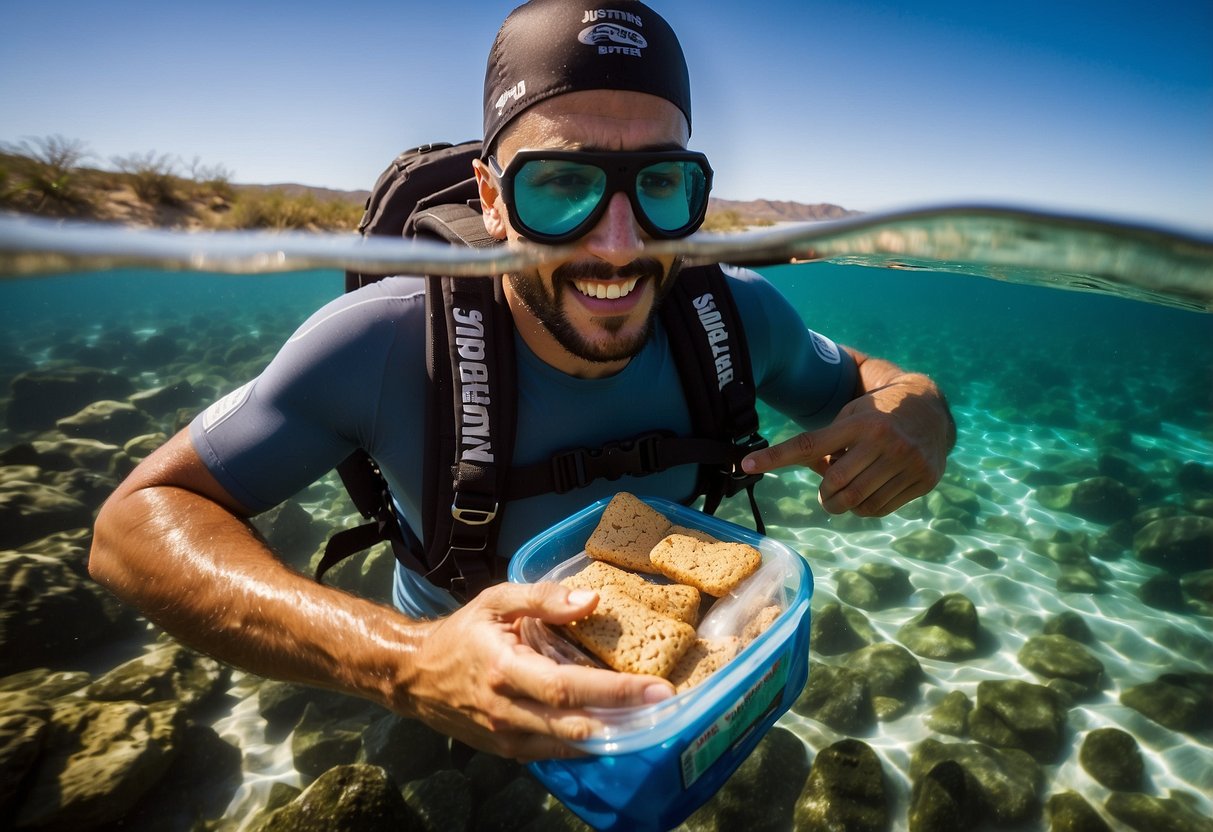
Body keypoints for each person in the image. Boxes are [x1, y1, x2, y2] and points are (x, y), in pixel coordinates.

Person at [89, 0, 954, 762]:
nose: (617, 243)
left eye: (658, 182)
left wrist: (920, 413)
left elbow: (881, 387)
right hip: (454, 675)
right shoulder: (382, 343)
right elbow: (130, 527)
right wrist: (405, 666)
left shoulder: (737, 317)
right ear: (492, 198)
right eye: (563, 184)